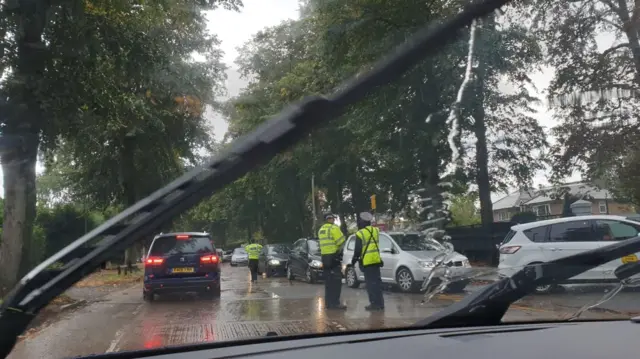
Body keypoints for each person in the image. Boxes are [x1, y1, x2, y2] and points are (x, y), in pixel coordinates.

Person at [351, 212, 384, 311]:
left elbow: (357, 250)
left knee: (370, 284)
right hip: (376, 260)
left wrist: (354, 260)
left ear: (361, 222)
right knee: (377, 283)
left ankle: (374, 304)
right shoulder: (376, 231)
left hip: (367, 262)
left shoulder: (360, 233)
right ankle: (380, 303)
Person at [318, 213, 347, 310]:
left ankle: (328, 303)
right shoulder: (334, 228)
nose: (333, 220)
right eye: (332, 218)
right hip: (334, 257)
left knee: (328, 282)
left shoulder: (321, 230)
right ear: (331, 220)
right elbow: (341, 241)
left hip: (325, 258)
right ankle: (335, 303)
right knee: (336, 281)